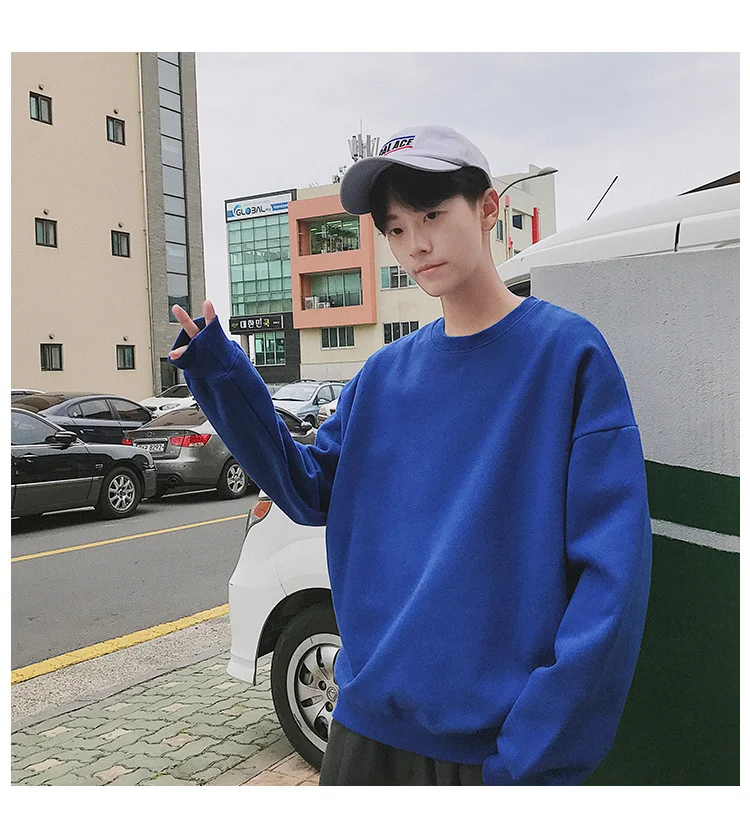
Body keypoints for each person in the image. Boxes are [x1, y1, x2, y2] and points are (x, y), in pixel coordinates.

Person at [168, 124, 652, 786]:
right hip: (363, 732)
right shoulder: (383, 376)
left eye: (431, 215)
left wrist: (530, 763)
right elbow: (308, 489)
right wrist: (221, 374)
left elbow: (612, 582)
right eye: (395, 228)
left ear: (487, 208)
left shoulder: (567, 357)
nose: (415, 244)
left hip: (490, 751)